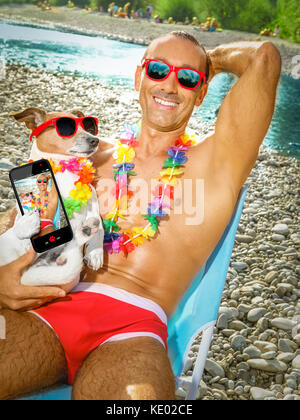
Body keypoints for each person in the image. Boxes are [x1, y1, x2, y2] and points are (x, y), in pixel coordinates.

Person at [0, 31, 281, 400]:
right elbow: (17, 220)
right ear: (138, 77)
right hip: (49, 303)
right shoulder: (88, 153)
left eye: (187, 77)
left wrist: (207, 58)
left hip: (134, 328)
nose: (169, 84)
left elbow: (265, 58)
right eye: (159, 70)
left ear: (201, 92)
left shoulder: (218, 163)